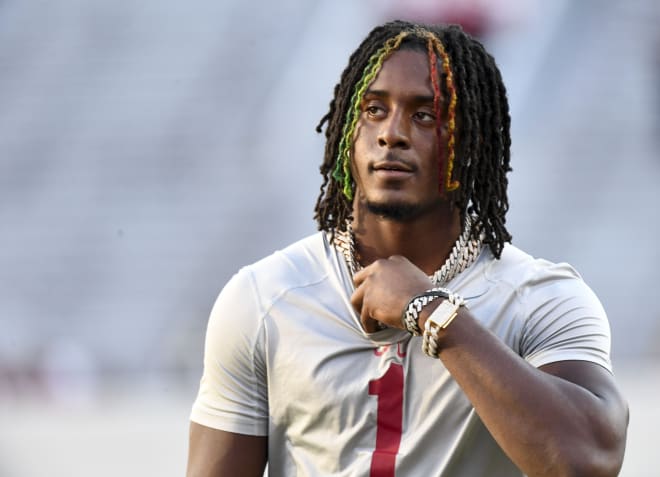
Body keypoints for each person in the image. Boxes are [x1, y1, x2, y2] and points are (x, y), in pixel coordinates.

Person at [186, 20, 628, 477]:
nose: (391, 133)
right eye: (374, 110)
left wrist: (435, 315)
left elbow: (587, 462)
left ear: (471, 141)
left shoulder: (542, 300)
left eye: (425, 115)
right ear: (346, 134)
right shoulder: (264, 298)